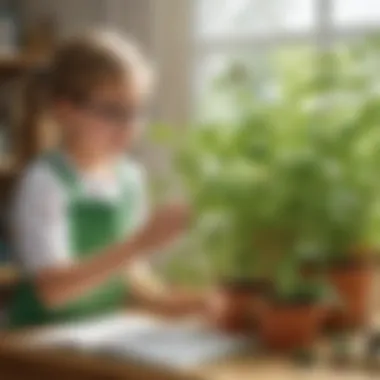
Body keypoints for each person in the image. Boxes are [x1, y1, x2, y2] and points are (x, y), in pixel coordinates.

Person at [9, 30, 202, 328]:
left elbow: (131, 282)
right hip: (37, 346)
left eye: (137, 111)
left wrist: (191, 304)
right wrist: (142, 242)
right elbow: (53, 290)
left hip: (97, 334)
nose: (130, 126)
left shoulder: (129, 178)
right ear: (65, 112)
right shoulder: (45, 182)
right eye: (113, 111)